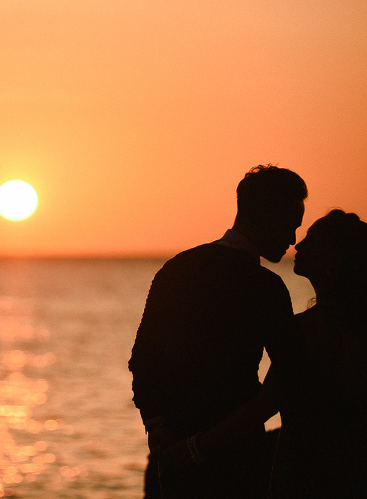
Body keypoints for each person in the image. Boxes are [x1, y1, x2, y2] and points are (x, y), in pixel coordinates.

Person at [175, 209, 367, 498]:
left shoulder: (306, 327)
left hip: (315, 468)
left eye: (311, 240)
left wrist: (197, 446)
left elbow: (267, 404)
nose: (298, 245)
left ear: (334, 259)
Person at [128, 164, 308, 498]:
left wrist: (157, 428)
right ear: (268, 219)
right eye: (290, 226)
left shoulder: (177, 269)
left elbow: (143, 360)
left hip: (170, 450)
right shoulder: (266, 287)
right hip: (237, 457)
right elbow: (291, 376)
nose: (293, 240)